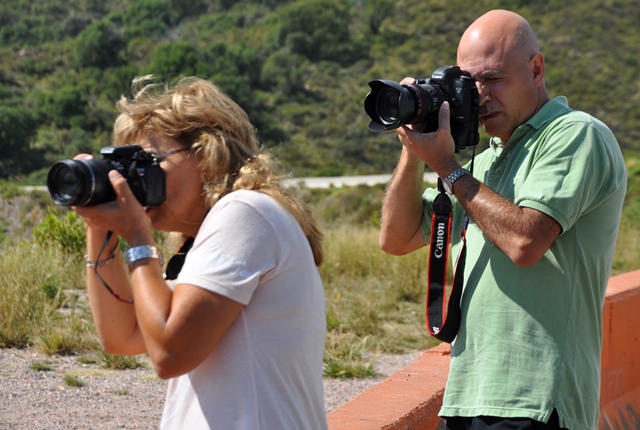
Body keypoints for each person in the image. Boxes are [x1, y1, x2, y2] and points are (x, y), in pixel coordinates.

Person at [379, 9, 626, 430]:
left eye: (492, 79)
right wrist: (413, 145)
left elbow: (526, 242)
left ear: (536, 69)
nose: (479, 95)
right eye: (469, 82)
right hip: (465, 397)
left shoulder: (575, 134)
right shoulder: (483, 161)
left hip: (538, 402)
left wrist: (447, 167)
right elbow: (396, 238)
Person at [73, 76, 329, 429]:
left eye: (149, 160)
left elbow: (169, 352)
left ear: (206, 152)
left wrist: (138, 237)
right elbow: (124, 335)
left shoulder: (245, 212)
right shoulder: (202, 240)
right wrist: (98, 227)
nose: (137, 179)